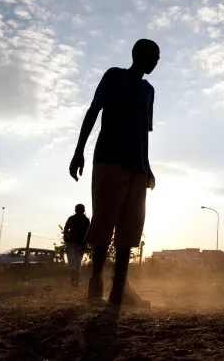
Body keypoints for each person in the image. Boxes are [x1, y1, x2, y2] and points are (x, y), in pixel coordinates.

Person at [69, 38, 159, 309]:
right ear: (137, 55)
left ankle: (120, 291)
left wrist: (148, 166)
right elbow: (93, 111)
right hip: (109, 159)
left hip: (137, 167)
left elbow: (142, 133)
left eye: (157, 58)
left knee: (129, 233)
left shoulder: (148, 90)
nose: (156, 62)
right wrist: (78, 150)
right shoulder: (114, 76)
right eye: (152, 56)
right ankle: (94, 288)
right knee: (104, 224)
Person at [63, 203, 91, 287]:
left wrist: (66, 237)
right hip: (78, 244)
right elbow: (88, 232)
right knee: (77, 263)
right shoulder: (85, 220)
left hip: (74, 244)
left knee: (73, 263)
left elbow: (66, 229)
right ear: (83, 210)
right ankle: (75, 281)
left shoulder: (72, 218)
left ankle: (74, 281)